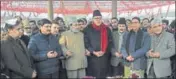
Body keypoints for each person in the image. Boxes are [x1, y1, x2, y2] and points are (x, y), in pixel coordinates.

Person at [83, 10, 113, 78]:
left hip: (104, 57)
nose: (98, 20)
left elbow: (110, 42)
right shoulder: (87, 29)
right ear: (93, 19)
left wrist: (104, 51)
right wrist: (93, 52)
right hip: (92, 57)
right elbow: (86, 42)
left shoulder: (106, 29)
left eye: (99, 18)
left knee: (103, 75)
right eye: (96, 18)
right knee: (92, 75)